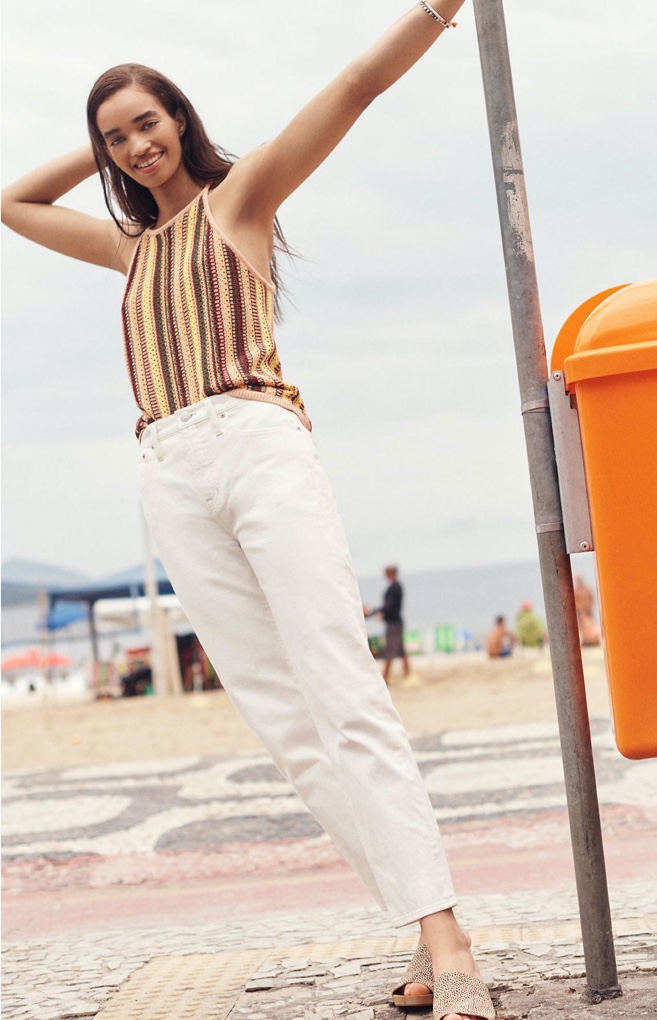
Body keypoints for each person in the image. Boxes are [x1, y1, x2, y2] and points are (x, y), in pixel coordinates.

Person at [1, 5, 497, 1019]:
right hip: (169, 471)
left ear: (179, 117)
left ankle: (450, 949)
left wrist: (440, 11)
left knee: (341, 688)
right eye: (116, 136)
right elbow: (10, 201)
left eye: (148, 122)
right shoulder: (127, 249)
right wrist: (96, 146)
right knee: (285, 724)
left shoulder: (242, 200)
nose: (137, 145)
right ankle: (422, 918)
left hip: (257, 443)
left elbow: (356, 86)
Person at [365, 565, 411, 684]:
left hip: (393, 622)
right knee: (400, 649)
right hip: (395, 621)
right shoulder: (395, 587)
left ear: (391, 573)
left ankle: (385, 677)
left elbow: (389, 607)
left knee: (390, 649)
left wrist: (375, 612)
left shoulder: (394, 587)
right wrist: (375, 613)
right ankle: (407, 673)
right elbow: (389, 607)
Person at [574, 576, 600, 647]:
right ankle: (586, 640)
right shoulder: (576, 591)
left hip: (588, 612)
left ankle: (592, 640)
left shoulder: (587, 590)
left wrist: (588, 607)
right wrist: (579, 609)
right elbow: (574, 602)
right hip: (581, 613)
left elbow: (591, 598)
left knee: (589, 625)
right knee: (583, 626)